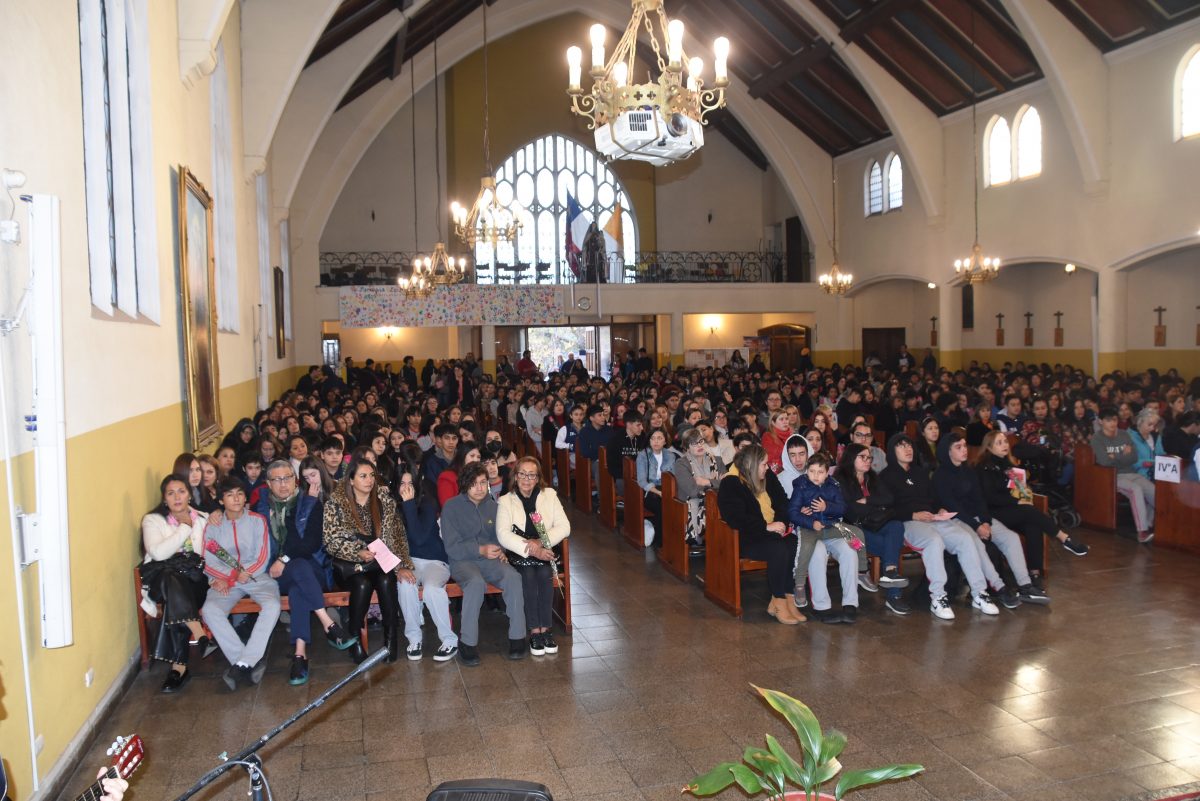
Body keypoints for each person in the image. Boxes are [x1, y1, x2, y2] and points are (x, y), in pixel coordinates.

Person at [251, 459, 357, 685]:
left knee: (299, 571)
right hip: (275, 574)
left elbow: (308, 543)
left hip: (312, 571)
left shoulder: (310, 503)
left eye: (287, 478)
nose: (283, 484)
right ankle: (328, 625)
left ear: (294, 479)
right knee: (297, 579)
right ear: (268, 484)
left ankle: (300, 654)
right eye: (277, 480)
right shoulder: (260, 509)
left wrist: (284, 558)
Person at [878, 433, 1002, 620]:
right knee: (934, 541)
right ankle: (938, 596)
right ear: (892, 451)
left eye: (909, 445)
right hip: (908, 522)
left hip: (933, 518)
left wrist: (939, 509)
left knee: (965, 539)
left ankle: (979, 592)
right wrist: (913, 515)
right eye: (902, 446)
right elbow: (887, 508)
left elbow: (933, 498)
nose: (908, 449)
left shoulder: (919, 473)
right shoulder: (886, 477)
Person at [933, 433, 1048, 607]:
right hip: (957, 520)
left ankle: (1025, 586)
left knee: (1011, 538)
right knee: (977, 545)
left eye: (965, 446)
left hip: (979, 519)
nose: (964, 450)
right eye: (959, 447)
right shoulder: (940, 476)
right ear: (948, 452)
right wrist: (977, 526)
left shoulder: (969, 471)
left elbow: (980, 500)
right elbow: (953, 507)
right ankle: (1000, 588)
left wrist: (985, 521)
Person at [324, 455, 415, 664]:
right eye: (363, 476)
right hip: (351, 566)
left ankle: (391, 639)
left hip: (380, 562)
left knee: (386, 580)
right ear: (351, 480)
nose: (369, 480)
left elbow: (399, 536)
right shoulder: (336, 503)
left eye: (372, 475)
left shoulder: (385, 501)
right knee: (363, 584)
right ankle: (354, 638)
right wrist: (357, 552)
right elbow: (330, 540)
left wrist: (401, 565)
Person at [441, 463, 527, 665]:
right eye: (474, 484)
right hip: (462, 561)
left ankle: (518, 637)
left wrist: (502, 551)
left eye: (483, 483)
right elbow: (452, 547)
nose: (480, 488)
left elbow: (502, 535)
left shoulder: (494, 506)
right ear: (464, 485)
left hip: (491, 559)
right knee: (475, 583)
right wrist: (480, 549)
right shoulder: (451, 507)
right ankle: (467, 642)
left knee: (513, 577)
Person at [976, 431, 1088, 585]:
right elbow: (990, 497)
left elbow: (1018, 491)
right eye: (999, 443)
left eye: (1005, 442)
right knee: (1028, 511)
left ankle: (1034, 573)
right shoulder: (984, 467)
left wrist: (1023, 492)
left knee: (1033, 526)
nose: (1005, 445)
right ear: (988, 447)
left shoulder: (1009, 465)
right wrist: (1017, 502)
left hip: (1012, 510)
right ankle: (1064, 538)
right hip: (994, 512)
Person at [200, 478, 281, 690]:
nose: (235, 498)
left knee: (272, 605)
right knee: (210, 610)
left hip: (256, 576)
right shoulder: (213, 526)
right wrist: (232, 575)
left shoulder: (257, 520)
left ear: (245, 497)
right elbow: (209, 560)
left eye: (239, 494)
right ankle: (247, 661)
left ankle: (243, 663)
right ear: (221, 500)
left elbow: (263, 556)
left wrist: (246, 573)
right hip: (226, 579)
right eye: (229, 494)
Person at [140, 475, 211, 693]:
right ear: (164, 499)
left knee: (177, 598)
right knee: (171, 578)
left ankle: (179, 668)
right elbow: (159, 553)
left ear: (189, 493)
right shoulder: (152, 521)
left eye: (181, 491)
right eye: (170, 493)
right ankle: (198, 634)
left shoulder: (204, 518)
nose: (177, 497)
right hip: (161, 582)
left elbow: (209, 552)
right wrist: (184, 528)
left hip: (195, 582)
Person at [717, 444, 801, 624]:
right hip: (745, 537)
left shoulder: (767, 476)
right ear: (752, 465)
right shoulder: (731, 482)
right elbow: (736, 518)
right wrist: (766, 526)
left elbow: (782, 502)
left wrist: (781, 524)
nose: (768, 467)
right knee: (778, 549)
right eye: (764, 464)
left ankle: (787, 596)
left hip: (769, 532)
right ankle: (778, 599)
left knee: (792, 541)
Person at [786, 453, 873, 623]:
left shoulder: (833, 486)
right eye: (812, 471)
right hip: (810, 529)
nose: (816, 475)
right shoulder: (801, 487)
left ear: (827, 473)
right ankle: (820, 605)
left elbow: (842, 508)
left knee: (851, 547)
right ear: (806, 471)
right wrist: (811, 522)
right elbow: (792, 512)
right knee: (816, 552)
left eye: (820, 472)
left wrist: (827, 507)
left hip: (831, 527)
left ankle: (852, 599)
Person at [497, 457, 570, 655]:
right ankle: (534, 631)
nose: (527, 479)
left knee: (544, 574)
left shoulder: (550, 495)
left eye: (532, 474)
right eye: (522, 474)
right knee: (528, 575)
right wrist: (531, 548)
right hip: (519, 552)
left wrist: (540, 544)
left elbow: (564, 526)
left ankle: (546, 629)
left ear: (538, 478)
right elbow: (503, 534)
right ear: (515, 476)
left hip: (544, 550)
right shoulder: (505, 500)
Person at [837, 444, 911, 616]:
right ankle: (893, 594)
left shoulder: (873, 477)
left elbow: (889, 498)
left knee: (897, 526)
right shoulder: (841, 479)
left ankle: (890, 573)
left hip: (876, 524)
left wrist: (866, 500)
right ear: (851, 458)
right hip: (854, 530)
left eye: (869, 457)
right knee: (890, 546)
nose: (867, 461)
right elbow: (850, 510)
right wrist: (875, 505)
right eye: (862, 457)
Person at [395, 467, 458, 662]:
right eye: (402, 484)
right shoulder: (391, 507)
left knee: (431, 589)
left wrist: (409, 505)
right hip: (409, 562)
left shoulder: (428, 503)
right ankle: (414, 638)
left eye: (410, 484)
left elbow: (420, 538)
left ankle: (449, 640)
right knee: (405, 585)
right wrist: (398, 567)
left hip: (435, 560)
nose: (406, 488)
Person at [1091, 406, 1155, 543]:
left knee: (1155, 492)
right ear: (1101, 422)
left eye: (1114, 420)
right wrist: (1122, 454)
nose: (1113, 423)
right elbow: (1105, 461)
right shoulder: (1097, 438)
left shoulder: (1124, 434)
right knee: (1135, 490)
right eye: (1108, 420)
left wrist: (1115, 456)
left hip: (1131, 472)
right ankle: (1142, 532)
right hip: (1113, 476)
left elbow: (1134, 457)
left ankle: (1149, 524)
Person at [673, 429, 725, 548]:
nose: (699, 445)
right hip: (690, 502)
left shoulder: (717, 460)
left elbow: (727, 484)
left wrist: (706, 481)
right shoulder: (681, 463)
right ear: (686, 447)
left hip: (717, 500)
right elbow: (692, 490)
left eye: (701, 441)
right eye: (694, 443)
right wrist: (715, 484)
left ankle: (722, 543)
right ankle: (701, 537)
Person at [636, 428, 677, 547]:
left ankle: (674, 538)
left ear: (665, 441)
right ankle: (661, 541)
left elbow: (674, 477)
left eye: (659, 438)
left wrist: (668, 491)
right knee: (661, 506)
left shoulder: (670, 455)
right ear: (649, 441)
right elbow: (642, 481)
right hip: (650, 490)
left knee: (677, 505)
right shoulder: (643, 455)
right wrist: (658, 492)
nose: (656, 441)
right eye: (653, 438)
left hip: (667, 488)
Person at [605, 409, 646, 496]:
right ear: (628, 424)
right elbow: (612, 466)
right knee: (623, 483)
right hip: (622, 475)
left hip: (639, 473)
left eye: (641, 425)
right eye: (638, 425)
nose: (641, 428)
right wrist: (629, 474)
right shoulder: (615, 440)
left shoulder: (643, 437)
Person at [437, 443, 481, 508]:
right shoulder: (447, 477)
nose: (476, 460)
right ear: (462, 457)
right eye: (472, 456)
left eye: (478, 457)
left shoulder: (479, 477)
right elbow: (447, 507)